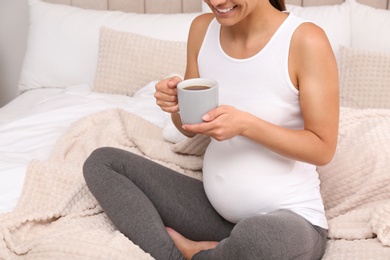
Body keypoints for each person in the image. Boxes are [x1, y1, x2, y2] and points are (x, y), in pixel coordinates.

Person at [83, 0, 339, 259]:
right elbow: (190, 128)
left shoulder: (305, 40)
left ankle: (199, 253)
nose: (216, 2)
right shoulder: (202, 29)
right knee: (103, 163)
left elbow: (323, 148)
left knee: (261, 239)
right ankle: (180, 254)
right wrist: (176, 106)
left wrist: (247, 125)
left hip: (290, 222)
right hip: (214, 215)